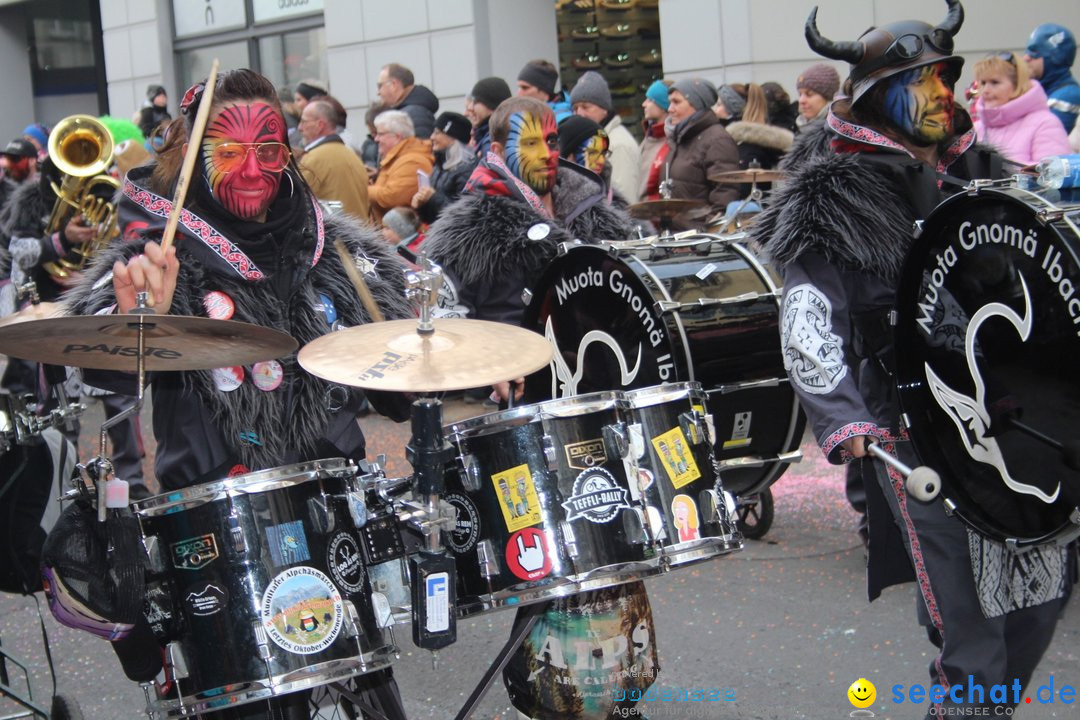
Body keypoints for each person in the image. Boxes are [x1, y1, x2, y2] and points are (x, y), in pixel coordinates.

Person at [62, 67, 413, 720]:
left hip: (329, 516)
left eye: (270, 150)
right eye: (229, 152)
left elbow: (401, 385)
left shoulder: (329, 249)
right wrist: (143, 324)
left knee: (364, 689)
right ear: (192, 157)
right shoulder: (153, 256)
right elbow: (101, 380)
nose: (253, 171)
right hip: (215, 532)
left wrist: (423, 360)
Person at [752, 3, 1072, 716]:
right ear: (875, 98)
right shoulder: (835, 195)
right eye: (921, 82)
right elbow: (808, 318)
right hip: (914, 433)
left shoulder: (985, 173)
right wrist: (846, 422)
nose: (941, 96)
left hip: (1016, 424)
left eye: (945, 79)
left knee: (1040, 605)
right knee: (971, 631)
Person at [419, 96, 655, 720]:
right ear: (496, 148)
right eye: (534, 143)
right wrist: (491, 362)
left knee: (613, 547)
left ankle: (621, 689)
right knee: (550, 564)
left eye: (553, 141)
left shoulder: (591, 205)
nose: (550, 154)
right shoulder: (470, 223)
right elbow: (434, 316)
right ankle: (553, 694)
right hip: (525, 425)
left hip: (600, 407)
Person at [972, 51, 1071, 166]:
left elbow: (1053, 176)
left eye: (995, 82)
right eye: (983, 83)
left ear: (1017, 85)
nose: (985, 90)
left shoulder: (1045, 124)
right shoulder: (976, 128)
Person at [664, 77, 740, 227]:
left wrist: (704, 234)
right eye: (670, 102)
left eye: (677, 102)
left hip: (698, 241)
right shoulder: (681, 138)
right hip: (678, 238)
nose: (670, 109)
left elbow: (724, 196)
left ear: (697, 104)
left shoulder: (717, 140)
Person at [569, 71, 640, 201]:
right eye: (575, 108)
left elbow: (626, 200)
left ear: (604, 109)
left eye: (586, 107)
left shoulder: (618, 145)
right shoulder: (596, 140)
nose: (579, 114)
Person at [297, 98, 371, 220]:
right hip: (357, 235)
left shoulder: (314, 158)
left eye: (304, 121)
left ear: (319, 125)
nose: (300, 127)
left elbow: (297, 202)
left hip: (334, 236)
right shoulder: (351, 155)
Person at [411, 111, 477, 224]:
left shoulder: (467, 169)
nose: (432, 137)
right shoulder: (439, 166)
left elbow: (466, 215)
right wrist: (421, 205)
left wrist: (433, 198)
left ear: (452, 137)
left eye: (437, 133)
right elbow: (431, 218)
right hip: (440, 236)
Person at [368, 109, 434, 224]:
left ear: (397, 136)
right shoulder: (398, 158)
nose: (376, 139)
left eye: (380, 134)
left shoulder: (413, 161)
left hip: (403, 234)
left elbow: (391, 197)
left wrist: (363, 189)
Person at [1023, 23, 1080, 134]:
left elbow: (1044, 137)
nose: (1026, 58)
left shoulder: (1068, 95)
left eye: (1034, 52)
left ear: (1055, 58)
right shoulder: (1038, 91)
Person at [375, 62, 439, 139]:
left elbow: (420, 149)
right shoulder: (413, 112)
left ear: (394, 84)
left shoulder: (414, 116)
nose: (378, 93)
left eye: (380, 86)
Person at [637, 79, 671, 201]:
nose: (644, 104)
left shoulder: (671, 142)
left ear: (663, 106)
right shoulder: (649, 137)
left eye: (650, 100)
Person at [467, 76, 512, 158]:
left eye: (476, 102)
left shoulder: (493, 142)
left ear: (492, 106)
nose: (470, 108)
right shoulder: (485, 136)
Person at [795, 62, 841, 129]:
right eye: (800, 94)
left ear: (828, 98)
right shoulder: (800, 127)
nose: (801, 100)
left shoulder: (837, 133)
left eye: (809, 94)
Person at [0, 138, 38, 210]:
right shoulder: (3, 188)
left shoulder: (44, 189)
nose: (9, 164)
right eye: (7, 158)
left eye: (15, 159)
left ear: (32, 161)